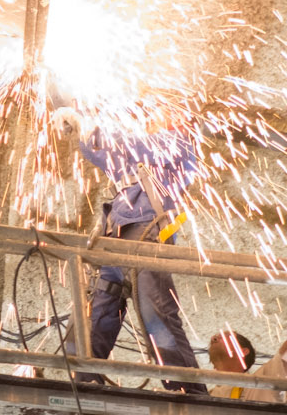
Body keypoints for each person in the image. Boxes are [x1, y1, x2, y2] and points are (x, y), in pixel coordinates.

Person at [54, 106, 208, 395]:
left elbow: (135, 145)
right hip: (114, 233)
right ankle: (82, 383)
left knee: (155, 309)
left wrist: (88, 121)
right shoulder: (131, 153)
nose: (153, 117)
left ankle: (188, 390)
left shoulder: (180, 146)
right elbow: (97, 150)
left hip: (145, 233)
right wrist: (80, 127)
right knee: (96, 308)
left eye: (163, 114)